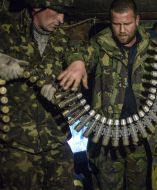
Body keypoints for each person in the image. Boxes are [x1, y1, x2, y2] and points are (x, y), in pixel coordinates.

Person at [61, 0, 157, 189]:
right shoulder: (100, 43)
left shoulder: (155, 44)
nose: (122, 30)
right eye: (116, 24)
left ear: (137, 20)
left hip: (141, 139)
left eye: (127, 24)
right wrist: (77, 62)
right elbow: (80, 50)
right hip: (107, 139)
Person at [0, 0, 86, 189]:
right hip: (17, 145)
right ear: (37, 7)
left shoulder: (62, 39)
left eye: (65, 14)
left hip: (56, 141)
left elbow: (77, 64)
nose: (61, 19)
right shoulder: (6, 29)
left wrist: (77, 64)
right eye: (57, 12)